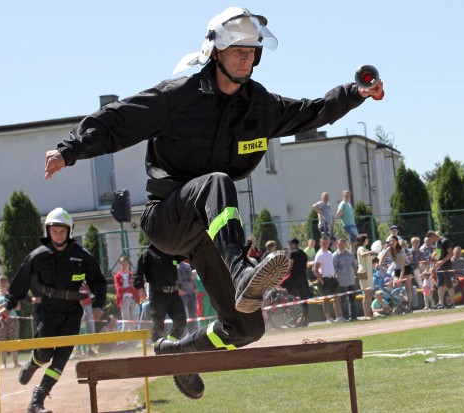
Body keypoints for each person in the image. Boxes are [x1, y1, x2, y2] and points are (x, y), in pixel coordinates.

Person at [42, 6, 383, 399]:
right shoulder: (178, 97)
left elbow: (312, 112)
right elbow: (118, 119)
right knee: (217, 183)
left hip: (208, 232)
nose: (247, 57)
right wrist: (70, 150)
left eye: (253, 50)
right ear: (215, 51)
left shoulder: (259, 105)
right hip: (168, 217)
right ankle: (242, 274)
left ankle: (183, 354)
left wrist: (355, 93)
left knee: (246, 328)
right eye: (238, 49)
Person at [0, 208, 106, 413]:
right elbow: (20, 282)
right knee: (45, 355)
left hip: (73, 313)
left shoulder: (81, 256)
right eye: (54, 231)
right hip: (47, 311)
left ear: (69, 231)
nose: (58, 235)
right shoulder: (38, 256)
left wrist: (99, 304)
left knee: (61, 358)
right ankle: (34, 361)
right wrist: (7, 306)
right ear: (48, 231)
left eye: (61, 231)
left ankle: (37, 401)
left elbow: (98, 281)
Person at [135, 245, 188, 345]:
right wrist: (140, 287)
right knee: (158, 324)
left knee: (181, 321)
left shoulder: (171, 250)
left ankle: (170, 343)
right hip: (157, 294)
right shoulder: (147, 253)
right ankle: (157, 347)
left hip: (173, 293)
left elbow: (185, 253)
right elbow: (138, 273)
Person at [0, 275, 21, 369]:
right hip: (0, 320)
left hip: (12, 318)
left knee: (14, 339)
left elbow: (18, 307)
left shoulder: (11, 294)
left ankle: (15, 362)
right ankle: (4, 363)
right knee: (2, 339)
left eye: (5, 281)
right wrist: (3, 305)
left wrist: (11, 304)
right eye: (1, 281)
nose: (3, 283)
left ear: (8, 283)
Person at [281, 238, 311, 326]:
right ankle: (305, 319)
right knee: (304, 300)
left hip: (293, 279)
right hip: (303, 279)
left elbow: (290, 267)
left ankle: (288, 313)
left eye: (290, 244)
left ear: (294, 244)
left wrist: (283, 275)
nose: (289, 246)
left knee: (283, 289)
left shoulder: (293, 253)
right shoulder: (304, 254)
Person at [315, 236, 342, 322]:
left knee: (337, 298)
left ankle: (338, 317)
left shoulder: (330, 253)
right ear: (320, 244)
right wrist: (321, 281)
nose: (325, 245)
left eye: (326, 243)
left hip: (333, 278)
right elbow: (315, 269)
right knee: (326, 300)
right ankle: (328, 318)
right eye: (323, 243)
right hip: (325, 279)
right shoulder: (319, 254)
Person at [426, 231, 455, 309]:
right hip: (439, 267)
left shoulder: (445, 241)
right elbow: (438, 255)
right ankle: (440, 303)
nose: (430, 241)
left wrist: (442, 262)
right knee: (439, 285)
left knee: (449, 284)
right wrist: (435, 263)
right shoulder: (437, 243)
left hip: (446, 265)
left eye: (430, 239)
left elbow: (451, 254)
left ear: (433, 236)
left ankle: (452, 302)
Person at [333, 238, 359, 321]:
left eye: (343, 244)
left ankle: (354, 317)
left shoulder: (350, 254)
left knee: (353, 300)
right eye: (340, 244)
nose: (341, 246)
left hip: (351, 280)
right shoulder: (335, 256)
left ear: (345, 244)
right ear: (337, 245)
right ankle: (345, 317)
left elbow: (354, 265)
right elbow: (333, 269)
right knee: (343, 300)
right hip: (341, 282)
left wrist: (356, 276)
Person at [114, 256, 138, 332]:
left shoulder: (132, 275)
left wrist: (129, 290)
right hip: (124, 300)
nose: (124, 266)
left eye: (126, 264)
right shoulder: (117, 276)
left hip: (132, 299)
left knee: (133, 322)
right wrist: (129, 289)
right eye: (123, 264)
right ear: (120, 265)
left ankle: (133, 341)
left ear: (129, 265)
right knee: (126, 322)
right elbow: (119, 289)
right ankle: (123, 341)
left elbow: (135, 288)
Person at [356, 234, 376, 320]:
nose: (368, 239)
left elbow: (369, 259)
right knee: (366, 294)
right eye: (366, 238)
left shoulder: (365, 249)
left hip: (369, 273)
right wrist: (371, 252)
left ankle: (369, 313)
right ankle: (366, 314)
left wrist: (375, 257)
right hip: (364, 273)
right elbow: (362, 255)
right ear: (363, 240)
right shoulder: (361, 248)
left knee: (370, 293)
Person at [177, 259, 199, 335]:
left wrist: (195, 287)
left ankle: (193, 334)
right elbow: (173, 279)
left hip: (191, 293)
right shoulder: (174, 266)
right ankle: (183, 334)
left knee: (193, 315)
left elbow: (192, 278)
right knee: (183, 315)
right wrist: (178, 290)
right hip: (182, 295)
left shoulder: (188, 265)